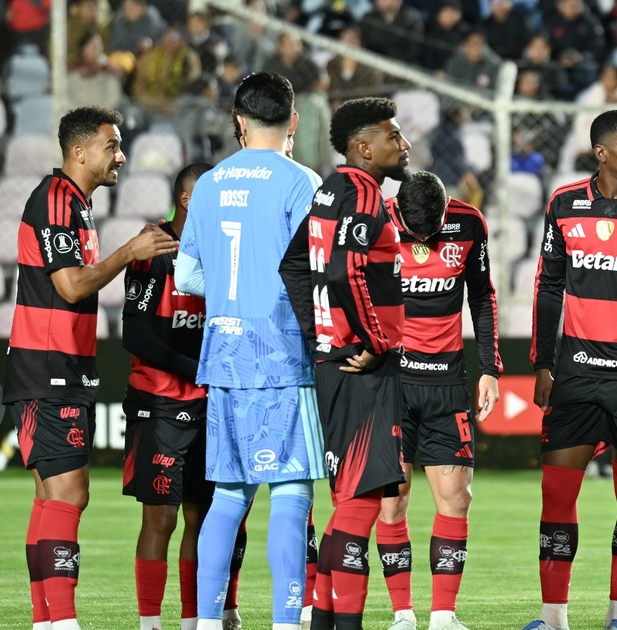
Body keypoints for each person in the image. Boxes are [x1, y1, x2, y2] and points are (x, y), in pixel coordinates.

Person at [5, 106, 178, 630]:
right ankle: (63, 622)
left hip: (57, 367)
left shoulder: (74, 203)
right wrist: (130, 251)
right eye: (112, 145)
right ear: (79, 151)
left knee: (51, 498)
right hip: (48, 367)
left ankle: (47, 622)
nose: (120, 156)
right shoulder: (57, 199)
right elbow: (70, 285)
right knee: (69, 494)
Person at [174, 72, 327, 630]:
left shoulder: (210, 183)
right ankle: (286, 622)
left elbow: (186, 276)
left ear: (239, 121)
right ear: (293, 121)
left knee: (228, 498)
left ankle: (206, 622)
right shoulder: (303, 182)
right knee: (291, 494)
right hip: (283, 354)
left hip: (225, 354)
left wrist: (230, 290)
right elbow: (314, 273)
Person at [525, 109, 617, 630]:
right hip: (577, 375)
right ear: (602, 152)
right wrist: (543, 363)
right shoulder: (564, 203)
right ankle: (553, 618)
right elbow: (548, 286)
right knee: (556, 497)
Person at [278, 96, 411, 630]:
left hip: (335, 361)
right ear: (364, 147)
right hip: (363, 368)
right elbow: (343, 272)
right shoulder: (363, 193)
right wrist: (373, 341)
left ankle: (324, 622)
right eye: (393, 136)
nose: (404, 144)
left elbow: (294, 264)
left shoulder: (330, 190)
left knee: (351, 499)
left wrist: (319, 333)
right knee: (361, 503)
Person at [120, 161, 249, 630]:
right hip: (160, 403)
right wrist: (198, 370)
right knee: (161, 519)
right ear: (188, 199)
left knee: (207, 518)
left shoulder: (224, 250)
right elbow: (136, 335)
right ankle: (150, 623)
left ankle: (195, 621)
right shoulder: (153, 250)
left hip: (213, 402)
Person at [376, 171, 502, 630]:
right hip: (390, 383)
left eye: (433, 231)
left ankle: (444, 616)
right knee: (392, 500)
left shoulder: (469, 224)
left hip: (446, 383)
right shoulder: (375, 222)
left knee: (456, 497)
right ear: (399, 211)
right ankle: (402, 615)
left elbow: (482, 296)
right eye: (417, 233)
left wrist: (489, 368)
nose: (425, 240)